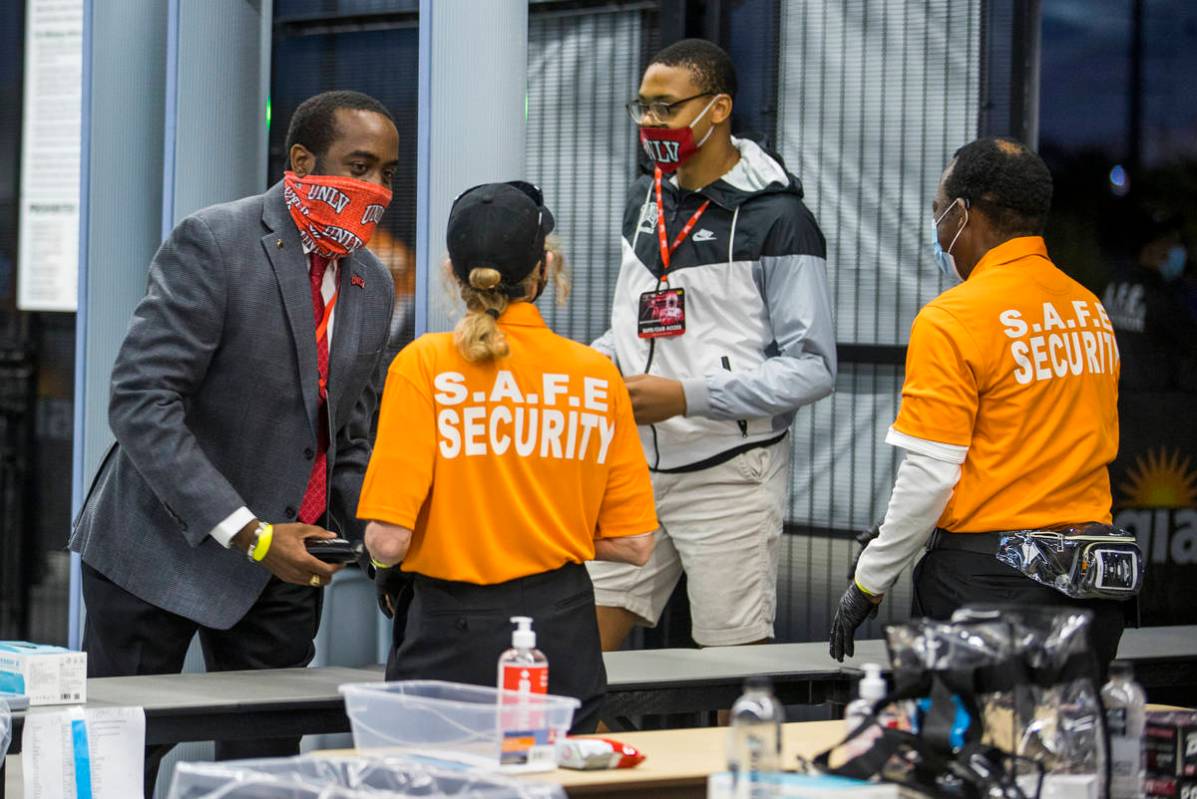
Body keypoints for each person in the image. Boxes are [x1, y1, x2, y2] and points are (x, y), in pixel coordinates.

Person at [69, 90, 399, 794]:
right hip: (160, 548)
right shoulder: (215, 240)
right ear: (302, 160)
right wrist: (247, 532)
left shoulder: (371, 283)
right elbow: (140, 399)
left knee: (268, 767)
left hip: (284, 564)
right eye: (359, 166)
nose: (374, 191)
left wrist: (372, 543)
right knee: (122, 759)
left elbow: (348, 435)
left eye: (387, 175)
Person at [358, 181, 658, 733]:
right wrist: (540, 525)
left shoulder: (424, 364)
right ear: (545, 269)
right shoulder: (595, 374)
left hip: (450, 631)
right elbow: (636, 544)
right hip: (562, 632)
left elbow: (387, 540)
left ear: (452, 271)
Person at [831, 137, 1125, 669]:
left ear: (963, 213)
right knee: (1068, 745)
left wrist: (868, 581)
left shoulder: (954, 317)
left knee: (974, 747)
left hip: (990, 587)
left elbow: (929, 474)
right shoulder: (1089, 311)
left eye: (938, 212)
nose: (939, 231)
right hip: (1091, 582)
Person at [588, 38, 836, 650]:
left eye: (666, 107)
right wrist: (580, 366)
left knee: (731, 667)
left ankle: (737, 750)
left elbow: (813, 369)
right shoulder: (645, 196)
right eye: (641, 107)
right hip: (633, 470)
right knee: (581, 658)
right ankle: (596, 752)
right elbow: (634, 328)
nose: (650, 123)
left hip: (730, 479)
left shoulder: (779, 218)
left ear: (719, 107)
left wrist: (686, 396)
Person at [1102, 205, 1197, 392]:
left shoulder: (1112, 286)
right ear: (1150, 248)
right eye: (1170, 242)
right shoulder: (1160, 296)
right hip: (1158, 409)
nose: (1177, 250)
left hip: (1117, 405)